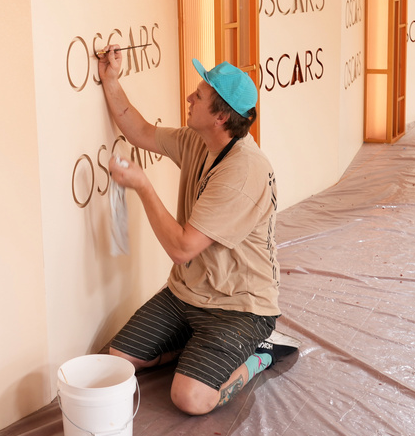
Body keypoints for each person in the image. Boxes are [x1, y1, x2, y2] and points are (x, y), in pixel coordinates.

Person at [97, 45, 298, 416]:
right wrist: (111, 79)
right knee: (116, 360)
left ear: (220, 117)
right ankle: (196, 347)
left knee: (190, 398)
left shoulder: (243, 171)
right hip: (186, 294)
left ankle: (260, 354)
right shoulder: (198, 141)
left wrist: (142, 185)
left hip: (240, 307)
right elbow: (138, 129)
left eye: (199, 95)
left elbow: (182, 249)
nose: (190, 97)